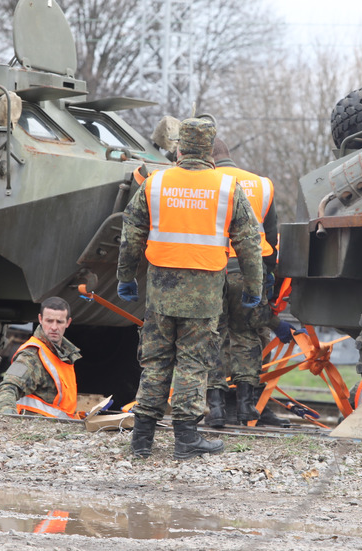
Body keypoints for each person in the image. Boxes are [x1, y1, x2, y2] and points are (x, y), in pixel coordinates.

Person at [117, 117, 263, 460]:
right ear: (210, 152)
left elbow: (131, 232)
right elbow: (249, 242)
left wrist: (125, 277)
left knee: (155, 362)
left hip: (161, 292)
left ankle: (141, 441)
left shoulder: (156, 183)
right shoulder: (227, 188)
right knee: (192, 364)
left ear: (179, 149)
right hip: (204, 294)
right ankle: (186, 440)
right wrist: (253, 286)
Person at [204, 137, 297, 427]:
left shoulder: (205, 181)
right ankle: (247, 408)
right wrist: (266, 281)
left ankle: (216, 410)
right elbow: (270, 237)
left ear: (208, 157)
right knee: (247, 336)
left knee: (213, 336)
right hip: (249, 270)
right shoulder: (262, 184)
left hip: (212, 268)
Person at [0, 297, 82, 418]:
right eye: (49, 321)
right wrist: (10, 420)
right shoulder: (30, 356)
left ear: (68, 322)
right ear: (40, 319)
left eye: (59, 322)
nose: (54, 327)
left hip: (57, 429)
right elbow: (6, 389)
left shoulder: (64, 355)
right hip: (36, 429)